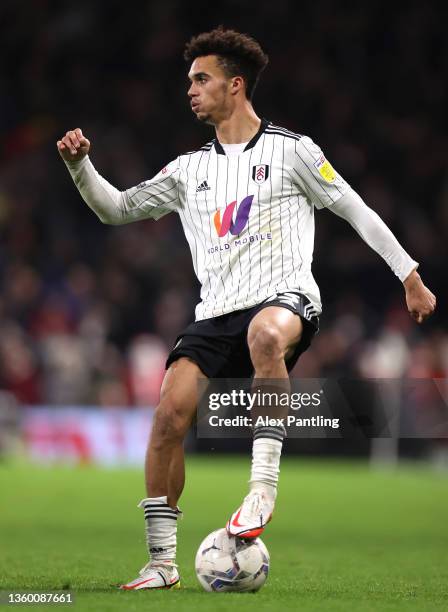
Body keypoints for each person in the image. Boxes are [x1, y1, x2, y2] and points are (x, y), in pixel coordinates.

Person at [57, 27, 436, 590]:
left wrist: (409, 274)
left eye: (201, 79)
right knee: (166, 419)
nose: (190, 89)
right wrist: (80, 166)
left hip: (286, 299)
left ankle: (262, 489)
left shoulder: (293, 151)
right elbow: (115, 209)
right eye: (189, 80)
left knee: (265, 336)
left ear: (235, 86)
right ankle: (161, 564)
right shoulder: (187, 170)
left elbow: (356, 210)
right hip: (215, 313)